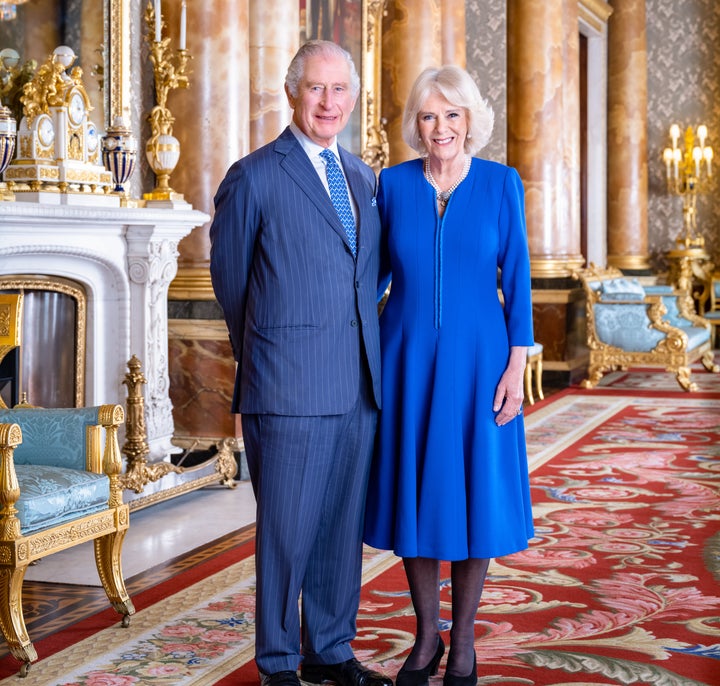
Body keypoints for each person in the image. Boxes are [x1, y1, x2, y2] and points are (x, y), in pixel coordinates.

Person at [210, 40, 391, 686]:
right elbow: (231, 283)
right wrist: (271, 354)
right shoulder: (255, 175)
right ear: (293, 92)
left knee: (341, 531)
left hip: (357, 386)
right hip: (285, 386)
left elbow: (369, 278)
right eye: (316, 88)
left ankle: (331, 649)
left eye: (339, 90)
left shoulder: (366, 179)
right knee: (285, 535)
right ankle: (280, 661)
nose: (328, 102)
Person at [363, 65, 535, 686]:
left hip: (482, 361)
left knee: (475, 495)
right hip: (405, 358)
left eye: (453, 115)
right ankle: (425, 636)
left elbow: (516, 279)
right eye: (430, 116)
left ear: (470, 121)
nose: (442, 128)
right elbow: (371, 279)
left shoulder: (500, 184)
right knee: (416, 492)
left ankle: (462, 640)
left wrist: (517, 364)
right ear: (416, 123)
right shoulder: (393, 184)